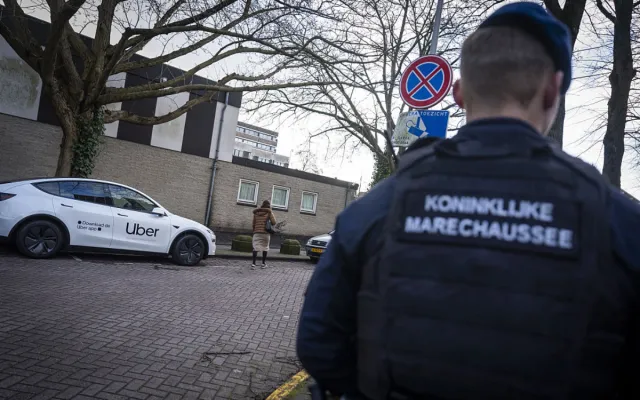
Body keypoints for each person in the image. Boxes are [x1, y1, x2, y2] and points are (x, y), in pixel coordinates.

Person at [297, 2, 640, 400]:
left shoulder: (376, 207)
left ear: (459, 93)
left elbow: (319, 344)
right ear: (552, 89)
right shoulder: (618, 221)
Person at [252, 200, 276, 270]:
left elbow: (253, 223)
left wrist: (254, 230)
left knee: (255, 248)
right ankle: (263, 264)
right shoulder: (269, 212)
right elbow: (274, 222)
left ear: (262, 205)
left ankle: (253, 264)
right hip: (266, 233)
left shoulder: (256, 213)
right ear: (269, 205)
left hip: (257, 232)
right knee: (265, 248)